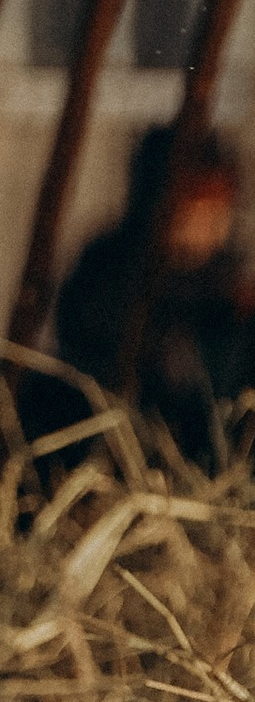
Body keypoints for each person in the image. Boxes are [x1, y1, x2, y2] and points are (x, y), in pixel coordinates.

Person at [56, 124, 252, 461]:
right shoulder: (112, 265)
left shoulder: (222, 275)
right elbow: (83, 330)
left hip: (205, 440)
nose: (211, 227)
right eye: (197, 212)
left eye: (219, 213)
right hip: (122, 428)